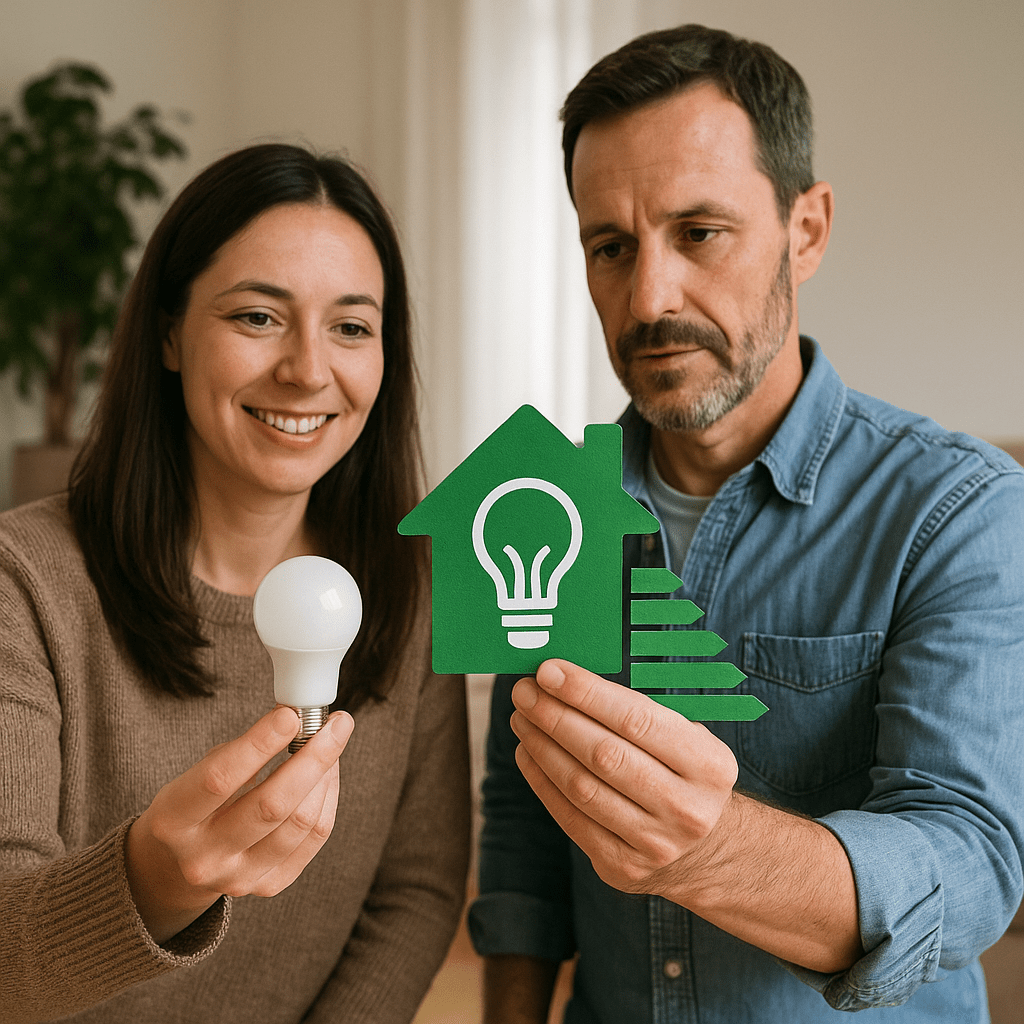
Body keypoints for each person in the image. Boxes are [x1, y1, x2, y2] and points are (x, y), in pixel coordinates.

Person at [469, 24, 1024, 1023]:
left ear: (804, 229)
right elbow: (522, 835)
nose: (648, 298)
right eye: (610, 247)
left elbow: (970, 861)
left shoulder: (957, 509)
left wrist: (708, 845)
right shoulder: (551, 508)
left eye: (699, 232)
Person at [0, 143, 470, 1023]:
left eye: (352, 326)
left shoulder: (417, 590)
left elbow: (415, 895)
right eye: (258, 317)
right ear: (170, 332)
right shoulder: (23, 586)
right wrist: (155, 882)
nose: (306, 369)